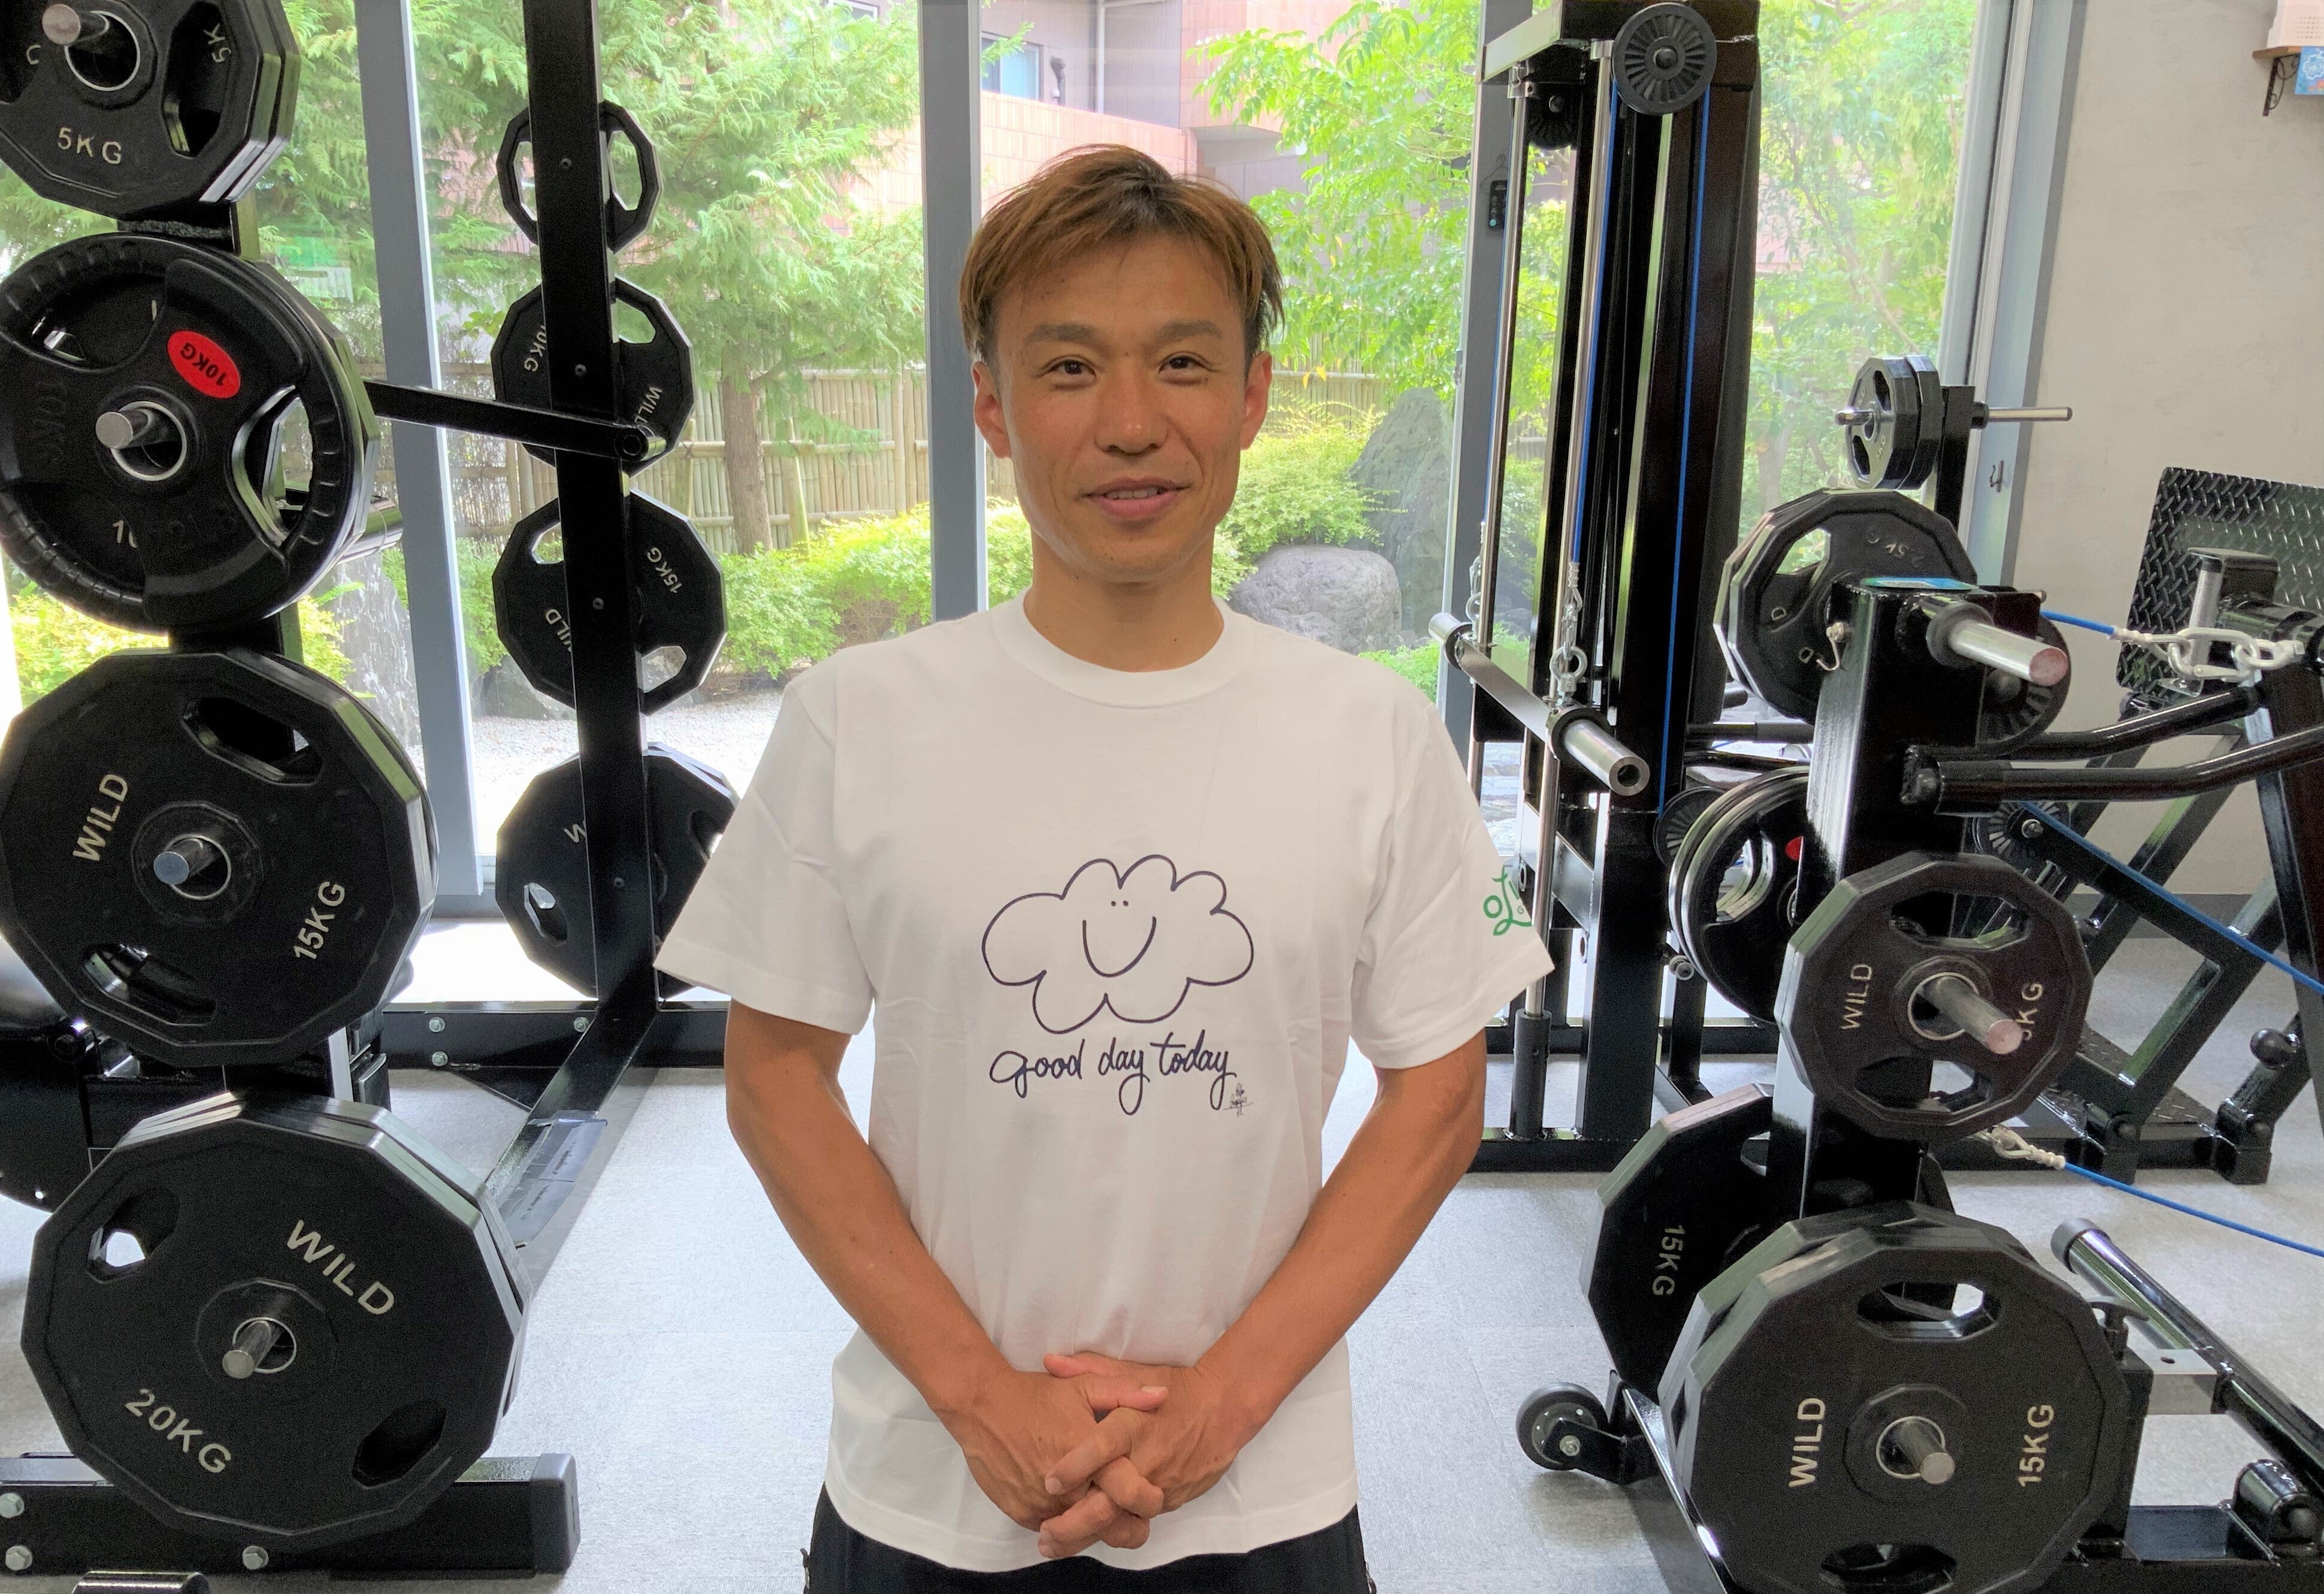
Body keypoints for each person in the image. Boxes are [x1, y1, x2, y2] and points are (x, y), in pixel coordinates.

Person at [655, 144, 1551, 1592]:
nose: (1131, 424)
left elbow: (1438, 1095)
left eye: (1181, 362)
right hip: (928, 1481)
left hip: (1259, 1489)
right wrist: (978, 1397)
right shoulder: (857, 717)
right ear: (992, 407)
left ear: (1250, 395)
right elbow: (774, 1072)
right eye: (1068, 369)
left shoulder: (1372, 735)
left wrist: (1222, 1402)